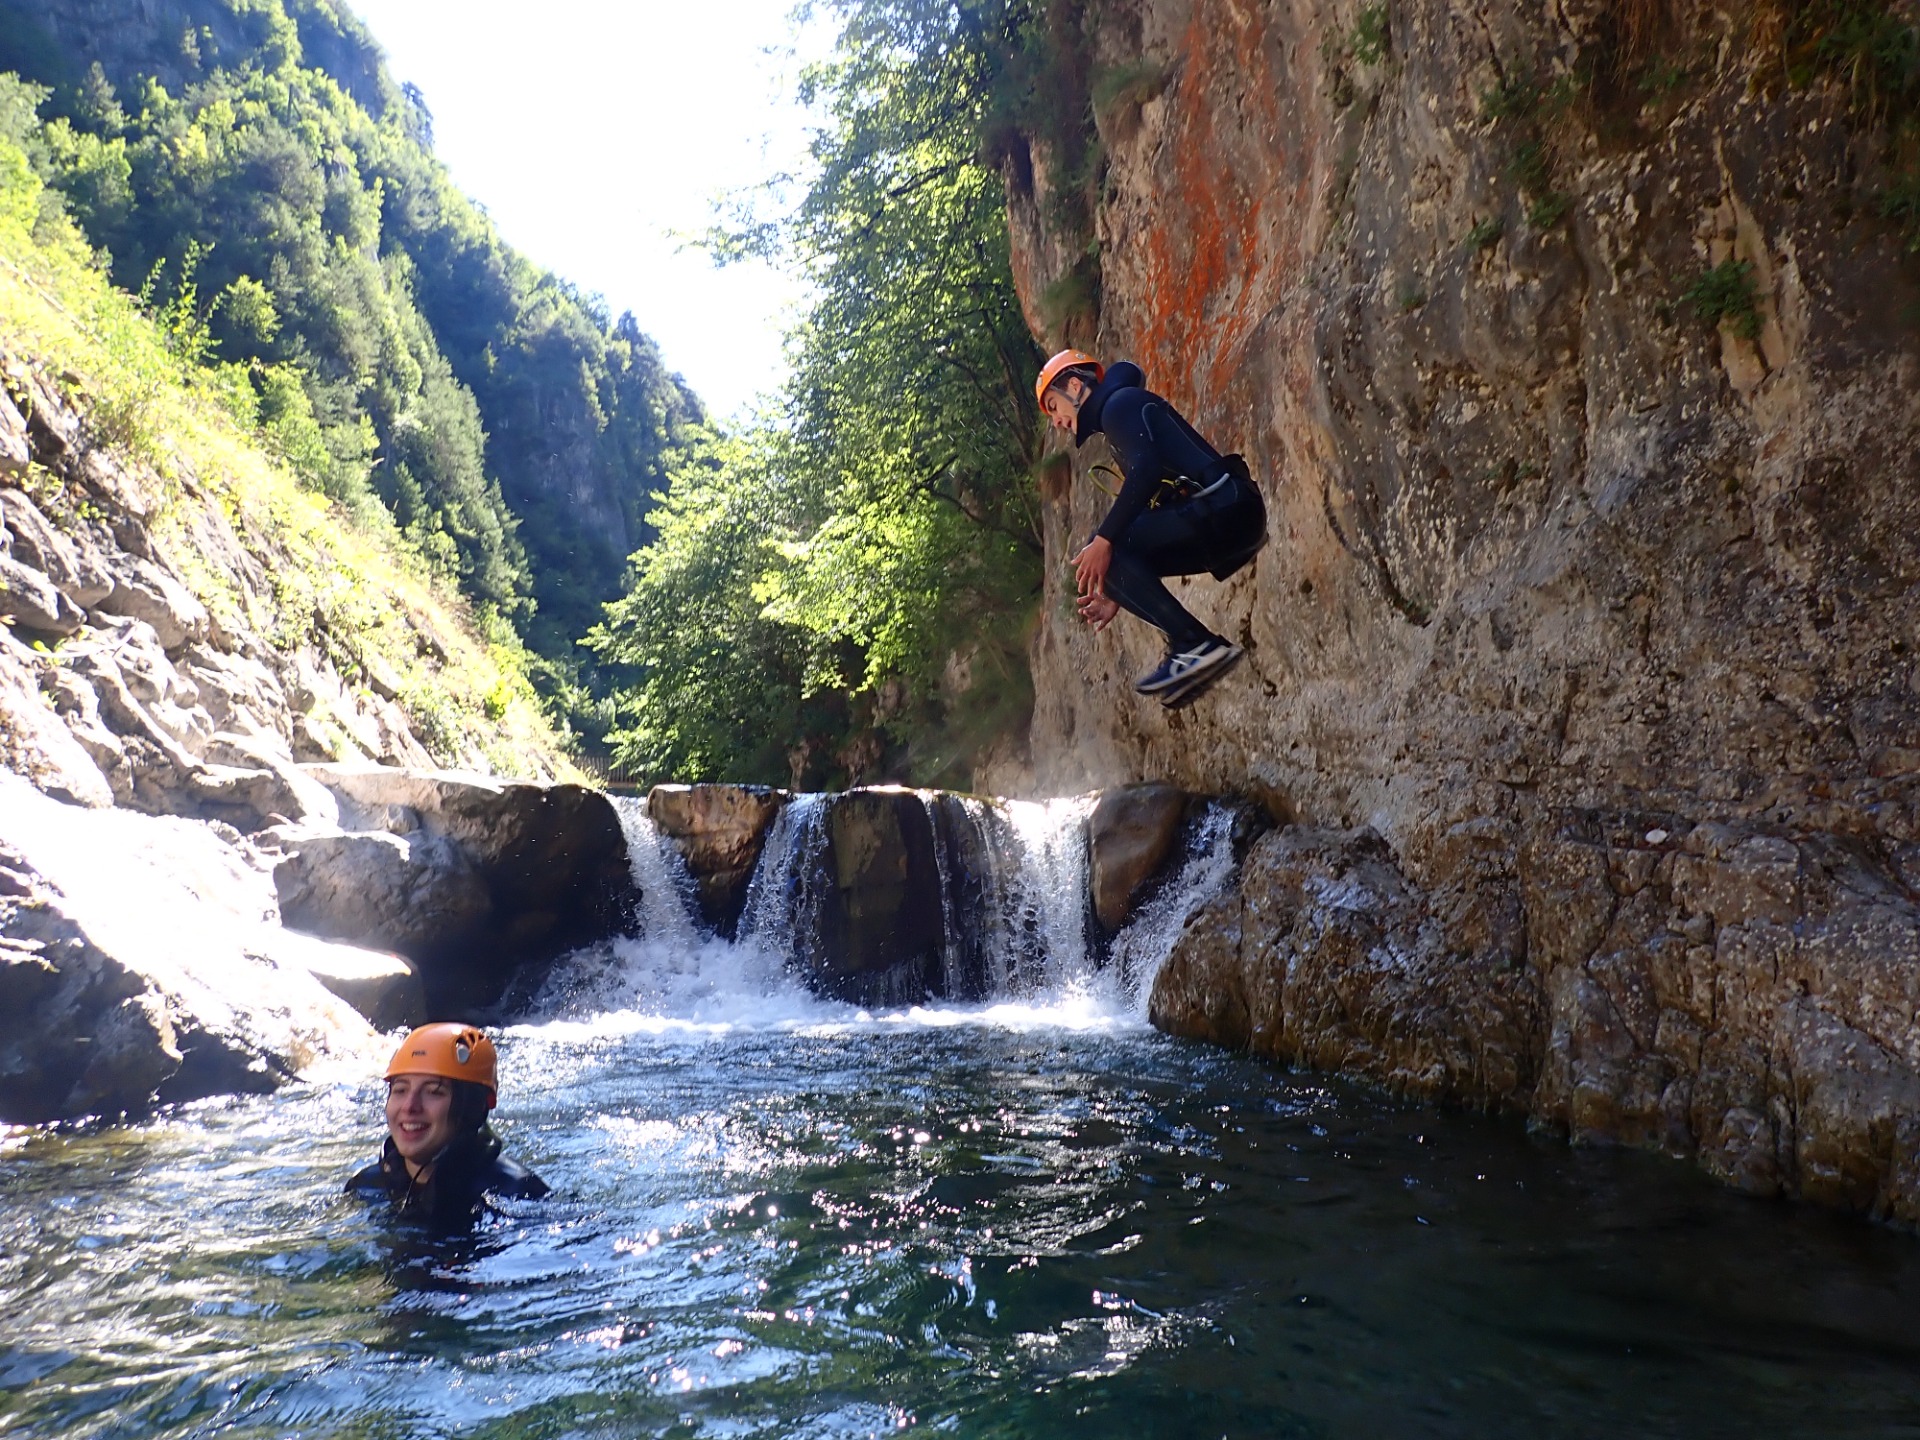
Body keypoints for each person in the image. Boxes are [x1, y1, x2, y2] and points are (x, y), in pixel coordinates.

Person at [1036, 350, 1266, 707]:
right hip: (1231, 516)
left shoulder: (1119, 405)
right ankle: (1193, 646)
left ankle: (1194, 643)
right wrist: (1120, 586)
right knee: (1107, 557)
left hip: (1228, 508)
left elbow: (1146, 474)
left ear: (1076, 386)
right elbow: (1150, 502)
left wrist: (1104, 541)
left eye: (1053, 406)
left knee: (1100, 548)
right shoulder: (1119, 417)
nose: (1056, 421)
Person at [347, 1022, 549, 1225]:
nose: (409, 1107)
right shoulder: (365, 1187)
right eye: (400, 1090)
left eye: (434, 1091)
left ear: (473, 1107)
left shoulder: (517, 1193)